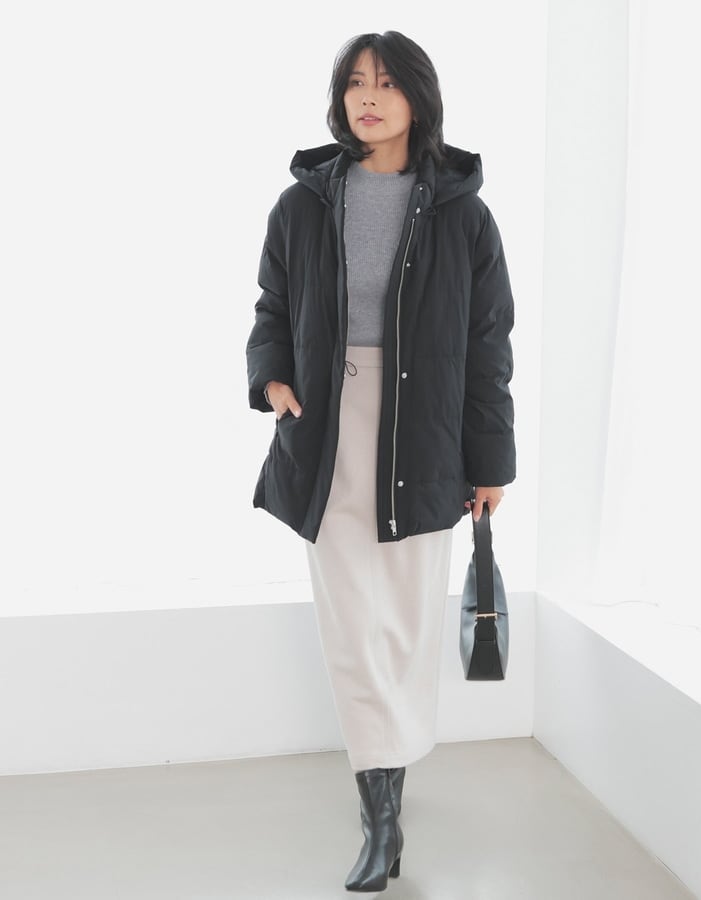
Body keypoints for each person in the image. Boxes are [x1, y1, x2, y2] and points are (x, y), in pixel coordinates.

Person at [245, 30, 516, 892]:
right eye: (356, 82)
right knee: (350, 626)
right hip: (327, 430)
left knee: (402, 624)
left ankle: (386, 792)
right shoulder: (301, 206)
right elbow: (272, 306)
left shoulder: (464, 216)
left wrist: (491, 460)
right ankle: (381, 820)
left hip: (424, 433)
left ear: (418, 99)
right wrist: (273, 381)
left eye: (388, 83)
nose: (369, 96)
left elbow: (488, 346)